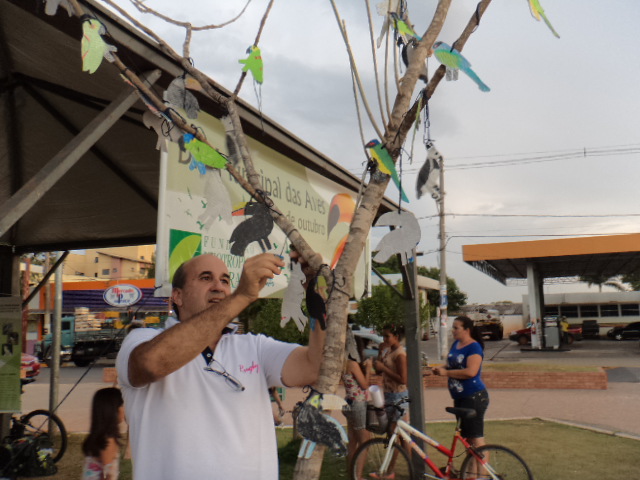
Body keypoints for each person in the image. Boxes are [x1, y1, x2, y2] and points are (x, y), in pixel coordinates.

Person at [116, 252, 325, 480]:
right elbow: (150, 365)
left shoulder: (254, 346)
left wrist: (316, 295)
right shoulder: (141, 339)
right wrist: (242, 296)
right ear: (177, 295)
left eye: (225, 280)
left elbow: (315, 367)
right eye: (206, 278)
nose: (218, 286)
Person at [433, 316, 489, 449]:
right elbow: (452, 365)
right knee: (467, 439)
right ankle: (470, 470)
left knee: (476, 438)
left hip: (473, 397)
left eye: (456, 327)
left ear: (467, 330)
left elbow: (471, 372)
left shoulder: (474, 347)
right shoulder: (456, 344)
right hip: (460, 397)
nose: (452, 330)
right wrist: (441, 368)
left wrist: (446, 373)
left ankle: (481, 469)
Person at [372, 324, 408, 479]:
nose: (384, 339)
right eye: (383, 336)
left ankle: (390, 471)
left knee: (398, 434)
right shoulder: (387, 350)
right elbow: (378, 370)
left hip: (398, 396)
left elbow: (403, 379)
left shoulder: (400, 354)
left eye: (387, 336)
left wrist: (384, 368)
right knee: (395, 434)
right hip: (387, 395)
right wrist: (380, 354)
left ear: (396, 337)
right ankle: (394, 469)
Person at [342, 332, 372, 477]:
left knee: (352, 441)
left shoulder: (342, 362)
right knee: (365, 442)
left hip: (348, 401)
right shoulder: (353, 364)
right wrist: (368, 370)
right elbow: (365, 385)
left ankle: (351, 473)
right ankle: (358, 476)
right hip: (358, 403)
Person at [81, 387, 125, 480]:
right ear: (114, 410)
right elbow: (107, 475)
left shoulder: (100, 436)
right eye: (123, 405)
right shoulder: (108, 441)